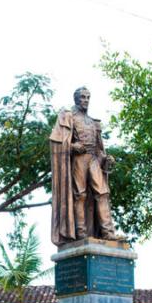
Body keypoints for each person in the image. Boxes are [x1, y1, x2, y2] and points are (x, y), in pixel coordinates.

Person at [49, 86, 122, 245]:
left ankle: (108, 233)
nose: (86, 100)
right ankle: (81, 233)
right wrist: (72, 146)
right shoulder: (68, 117)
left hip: (93, 159)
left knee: (102, 193)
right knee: (80, 194)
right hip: (78, 160)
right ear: (76, 99)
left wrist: (105, 157)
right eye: (83, 97)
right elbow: (57, 142)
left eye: (88, 97)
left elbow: (99, 149)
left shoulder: (93, 122)